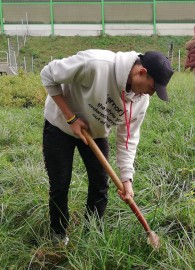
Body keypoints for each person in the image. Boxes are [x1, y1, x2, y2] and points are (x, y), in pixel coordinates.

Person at [40, 49, 174, 245]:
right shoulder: (96, 64)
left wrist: (126, 178)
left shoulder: (140, 100)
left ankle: (91, 234)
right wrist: (71, 117)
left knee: (100, 184)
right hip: (60, 125)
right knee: (60, 183)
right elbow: (47, 74)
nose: (150, 94)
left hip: (95, 132)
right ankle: (58, 235)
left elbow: (128, 137)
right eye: (152, 88)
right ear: (141, 72)